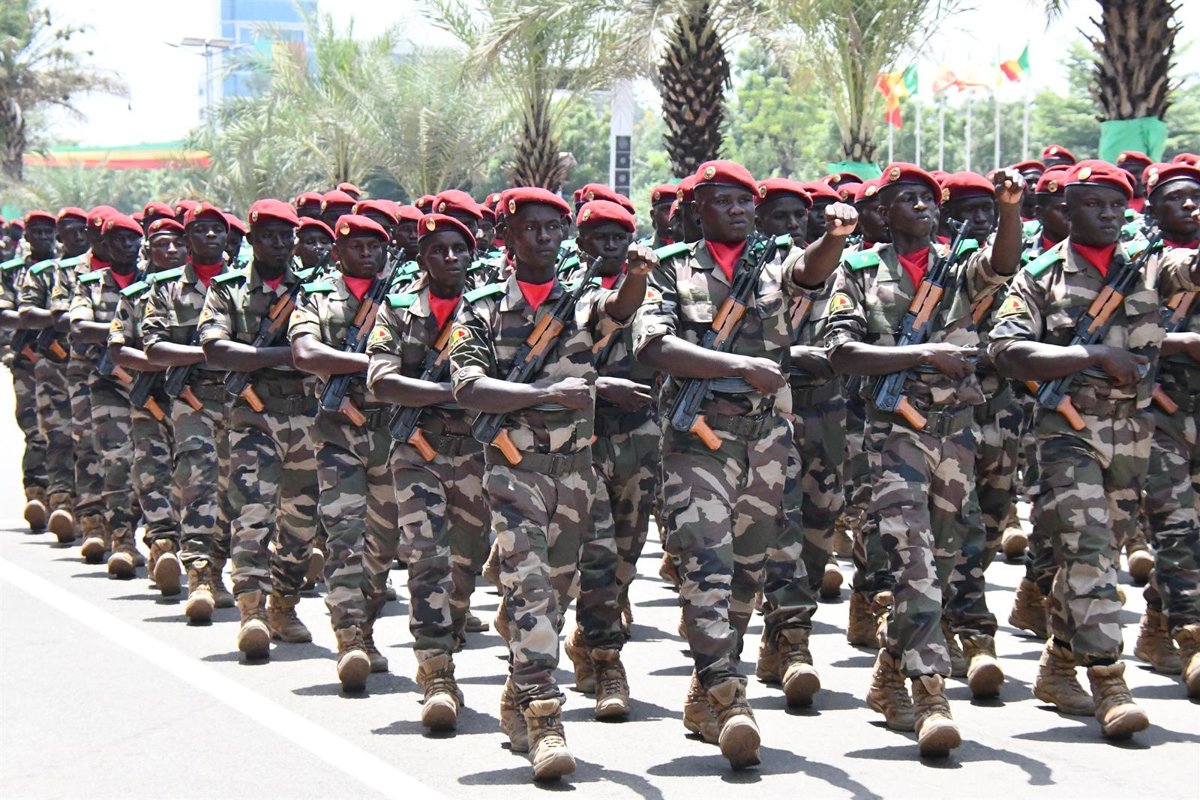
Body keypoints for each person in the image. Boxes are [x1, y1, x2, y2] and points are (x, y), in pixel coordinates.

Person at [634, 159, 856, 769]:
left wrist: (834, 238)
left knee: (745, 572)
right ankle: (730, 698)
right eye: (722, 201)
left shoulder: (774, 262)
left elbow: (810, 273)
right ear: (696, 209)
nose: (736, 211)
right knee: (705, 565)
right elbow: (653, 345)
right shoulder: (672, 267)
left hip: (766, 442)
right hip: (699, 439)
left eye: (743, 202)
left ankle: (707, 687)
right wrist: (737, 366)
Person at [449, 186, 653, 781]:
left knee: (553, 601)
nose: (543, 237)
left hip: (576, 477)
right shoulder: (483, 308)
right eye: (531, 228)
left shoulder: (581, 301)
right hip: (516, 474)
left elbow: (619, 310)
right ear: (507, 238)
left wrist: (636, 276)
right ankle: (545, 719)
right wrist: (544, 393)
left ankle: (518, 690)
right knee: (532, 595)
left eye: (552, 228)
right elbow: (469, 388)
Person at [989, 159, 1198, 738]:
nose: (1108, 215)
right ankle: (1109, 680)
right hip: (1067, 433)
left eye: (1115, 206)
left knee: (1085, 559)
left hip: (1133, 436)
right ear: (1067, 209)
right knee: (1090, 552)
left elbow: (1192, 267)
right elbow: (1007, 351)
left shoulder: (1151, 265)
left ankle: (1059, 665)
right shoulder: (1040, 275)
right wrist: (1093, 354)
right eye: (1094, 205)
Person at [824, 163, 1025, 757]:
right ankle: (930, 692)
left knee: (942, 560)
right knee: (913, 560)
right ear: (882, 212)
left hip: (955, 436)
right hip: (893, 437)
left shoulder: (958, 266)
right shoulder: (860, 270)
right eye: (908, 199)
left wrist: (1009, 208)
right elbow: (842, 351)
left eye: (929, 199)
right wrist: (920, 354)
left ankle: (890, 671)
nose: (923, 206)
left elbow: (1004, 264)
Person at [366, 212, 488, 728]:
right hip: (418, 452)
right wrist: (455, 392)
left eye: (458, 249)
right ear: (422, 257)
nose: (450, 257)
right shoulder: (397, 309)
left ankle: (449, 638)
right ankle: (436, 672)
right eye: (438, 249)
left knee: (466, 563)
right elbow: (382, 380)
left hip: (480, 453)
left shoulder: (488, 307)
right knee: (426, 559)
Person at [198, 198, 319, 660]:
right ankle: (251, 610)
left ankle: (284, 606)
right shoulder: (228, 289)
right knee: (252, 513)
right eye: (268, 235)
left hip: (307, 418)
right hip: (254, 417)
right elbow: (216, 351)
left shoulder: (312, 288)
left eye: (286, 236)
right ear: (251, 240)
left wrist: (257, 357)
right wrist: (291, 356)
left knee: (301, 522)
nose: (278, 243)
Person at [290, 214, 397, 693]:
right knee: (344, 533)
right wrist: (373, 364)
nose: (368, 253)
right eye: (358, 246)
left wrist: (359, 366)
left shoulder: (399, 298)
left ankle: (366, 624)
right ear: (338, 253)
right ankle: (349, 635)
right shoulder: (316, 298)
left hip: (391, 436)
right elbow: (306, 354)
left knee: (384, 541)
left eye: (376, 246)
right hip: (338, 437)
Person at [560, 199, 657, 718]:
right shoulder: (565, 291)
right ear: (581, 242)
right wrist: (601, 386)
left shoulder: (653, 287)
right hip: (582, 438)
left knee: (626, 550)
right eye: (600, 236)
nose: (611, 244)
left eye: (620, 236)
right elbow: (547, 368)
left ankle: (588, 637)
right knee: (594, 552)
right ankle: (605, 659)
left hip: (638, 436)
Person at [142, 202, 237, 620]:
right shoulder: (166, 288)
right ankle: (198, 574)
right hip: (193, 398)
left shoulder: (242, 284)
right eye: (200, 230)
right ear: (186, 240)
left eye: (217, 229)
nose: (210, 236)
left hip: (243, 399)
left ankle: (217, 567)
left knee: (234, 488)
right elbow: (154, 346)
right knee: (198, 479)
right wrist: (207, 354)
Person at [1129, 161, 1200, 696]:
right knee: (1177, 527)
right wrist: (1180, 344)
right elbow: (1114, 334)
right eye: (1178, 198)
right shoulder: (1137, 261)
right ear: (1153, 207)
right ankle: (1192, 637)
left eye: (1197, 197)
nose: (1191, 206)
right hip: (1157, 412)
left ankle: (1156, 626)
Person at [107, 217, 187, 591]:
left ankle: (183, 544)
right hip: (151, 397)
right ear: (148, 251)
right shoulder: (136, 295)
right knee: (151, 469)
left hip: (197, 400)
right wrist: (160, 362)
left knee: (191, 476)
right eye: (161, 245)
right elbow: (117, 349)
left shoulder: (207, 293)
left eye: (177, 244)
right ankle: (163, 543)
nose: (170, 251)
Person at [67, 213, 147, 575]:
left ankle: (159, 538)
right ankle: (120, 539)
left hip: (149, 382)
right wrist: (124, 332)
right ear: (105, 244)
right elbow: (79, 326)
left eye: (132, 240)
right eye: (118, 241)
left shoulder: (153, 281)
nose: (126, 246)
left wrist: (117, 334)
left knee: (153, 463)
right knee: (115, 458)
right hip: (107, 383)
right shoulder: (90, 284)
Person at [17, 207, 90, 540]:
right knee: (55, 434)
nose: (77, 237)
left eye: (82, 230)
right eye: (69, 232)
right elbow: (25, 313)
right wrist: (59, 319)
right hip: (54, 366)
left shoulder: (104, 273)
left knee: (90, 441)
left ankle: (90, 511)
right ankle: (59, 500)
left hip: (92, 367)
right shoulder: (47, 273)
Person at [0, 211, 56, 531]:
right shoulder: (11, 272)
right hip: (27, 359)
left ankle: (65, 497)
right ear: (27, 236)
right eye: (37, 232)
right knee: (34, 428)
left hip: (62, 360)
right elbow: (4, 314)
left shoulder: (65, 271)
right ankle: (37, 493)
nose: (44, 238)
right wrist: (33, 319)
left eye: (49, 232)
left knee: (65, 430)